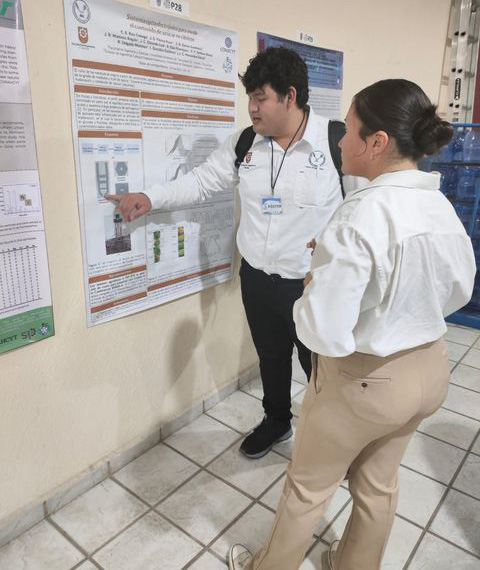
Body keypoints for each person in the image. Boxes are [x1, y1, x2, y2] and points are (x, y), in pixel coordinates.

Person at [228, 79, 476, 569]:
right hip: (429, 370)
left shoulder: (358, 215)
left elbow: (321, 330)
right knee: (379, 485)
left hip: (367, 380)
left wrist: (312, 281)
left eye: (350, 129)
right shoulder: (438, 204)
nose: (340, 139)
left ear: (377, 143)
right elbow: (458, 290)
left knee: (307, 489)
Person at [108, 47, 344, 459]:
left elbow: (363, 208)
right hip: (257, 278)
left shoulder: (336, 141)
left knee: (320, 367)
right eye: (249, 97)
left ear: (290, 96)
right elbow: (201, 181)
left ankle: (332, 440)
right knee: (271, 356)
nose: (251, 108)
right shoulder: (246, 142)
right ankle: (277, 420)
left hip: (312, 283)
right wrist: (150, 197)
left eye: (260, 98)